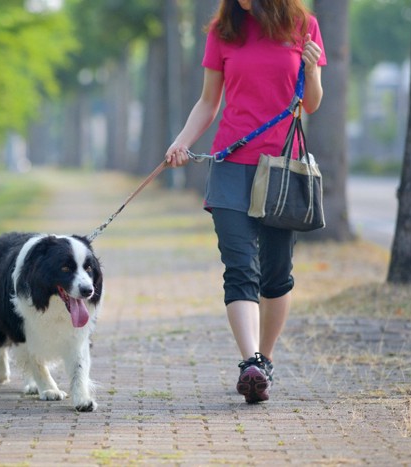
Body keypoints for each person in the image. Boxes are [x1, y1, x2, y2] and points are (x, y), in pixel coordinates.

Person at [165, 0, 326, 404]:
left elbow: (311, 103)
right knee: (239, 267)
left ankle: (264, 362)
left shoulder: (302, 25)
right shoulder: (223, 31)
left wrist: (310, 70)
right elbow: (208, 102)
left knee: (276, 273)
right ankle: (250, 362)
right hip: (230, 164)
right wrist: (182, 142)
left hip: (280, 169)